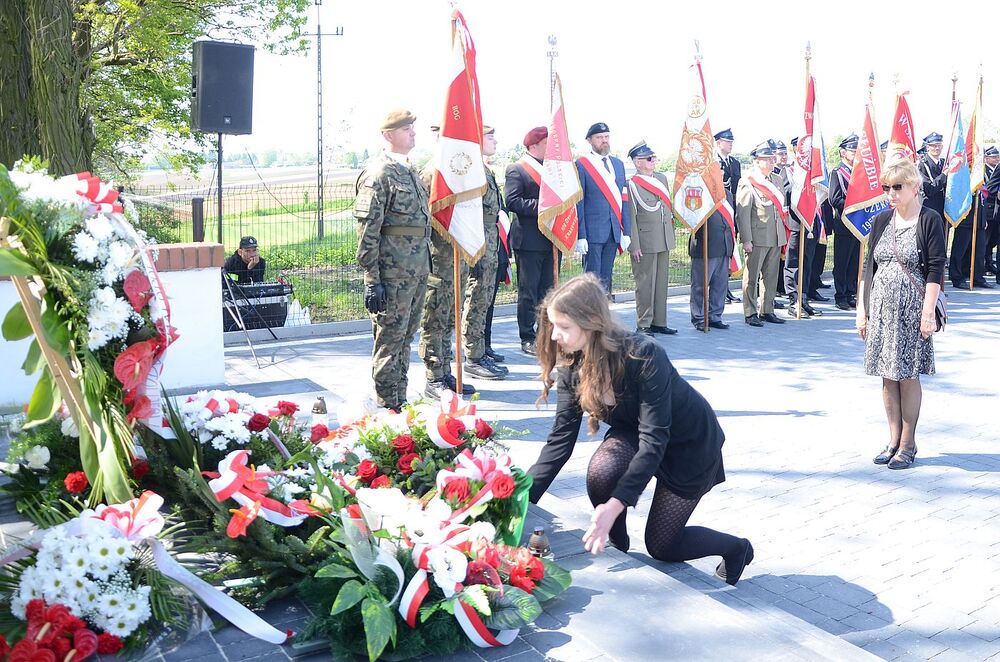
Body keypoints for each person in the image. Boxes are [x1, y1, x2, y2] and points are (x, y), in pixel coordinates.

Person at [526, 274, 753, 585]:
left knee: (662, 546)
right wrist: (518, 503)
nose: (554, 336)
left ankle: (737, 549)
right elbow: (558, 444)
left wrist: (615, 505)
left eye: (563, 327)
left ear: (592, 322)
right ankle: (618, 543)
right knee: (603, 471)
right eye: (553, 326)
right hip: (636, 432)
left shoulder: (643, 355)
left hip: (688, 443)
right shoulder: (571, 368)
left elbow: (655, 439)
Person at [857, 160, 946, 470]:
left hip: (912, 309)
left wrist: (927, 314)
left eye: (897, 187)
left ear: (914, 188)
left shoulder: (929, 220)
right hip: (880, 310)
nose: (890, 194)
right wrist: (862, 310)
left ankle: (908, 443)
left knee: (907, 376)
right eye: (886, 188)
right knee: (887, 375)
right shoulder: (882, 220)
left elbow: (936, 268)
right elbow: (870, 267)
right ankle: (893, 439)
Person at [354, 109, 432, 411]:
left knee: (405, 339)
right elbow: (368, 230)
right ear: (388, 135)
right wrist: (372, 279)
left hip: (416, 270)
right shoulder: (380, 173)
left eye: (413, 128)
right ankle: (387, 405)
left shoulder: (410, 170)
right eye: (406, 129)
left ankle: (400, 398)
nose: (413, 133)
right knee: (390, 340)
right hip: (392, 273)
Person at [418, 125, 476, 399]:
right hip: (439, 262)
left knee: (449, 318)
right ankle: (433, 376)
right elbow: (424, 218)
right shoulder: (433, 173)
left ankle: (446, 371)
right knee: (435, 319)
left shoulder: (459, 171)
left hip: (457, 261)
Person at [462, 125, 508, 380]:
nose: (495, 140)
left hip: (490, 241)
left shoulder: (484, 169)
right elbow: (470, 213)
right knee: (475, 300)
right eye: (490, 136)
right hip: (479, 244)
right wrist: (475, 252)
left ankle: (480, 350)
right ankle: (473, 356)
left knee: (484, 299)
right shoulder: (471, 170)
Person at [506, 126, 555, 356]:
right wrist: (543, 206)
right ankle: (527, 336)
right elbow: (513, 202)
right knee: (529, 292)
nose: (551, 148)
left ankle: (545, 334)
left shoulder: (554, 170)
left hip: (551, 239)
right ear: (533, 145)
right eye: (547, 143)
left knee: (549, 290)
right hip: (528, 241)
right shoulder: (517, 169)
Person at [626, 141, 676, 335]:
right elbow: (631, 217)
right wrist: (634, 245)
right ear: (637, 162)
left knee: (661, 282)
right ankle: (644, 323)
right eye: (648, 158)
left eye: (654, 157)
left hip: (663, 238)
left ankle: (659, 321)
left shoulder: (661, 179)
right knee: (645, 284)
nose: (653, 161)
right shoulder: (631, 184)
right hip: (645, 242)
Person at [575, 122, 632, 292]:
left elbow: (624, 200)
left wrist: (626, 231)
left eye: (606, 137)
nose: (604, 140)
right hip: (592, 233)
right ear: (590, 141)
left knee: (607, 279)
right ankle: (589, 316)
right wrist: (581, 235)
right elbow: (580, 202)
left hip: (614, 231)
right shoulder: (582, 164)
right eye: (599, 137)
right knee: (591, 281)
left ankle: (604, 315)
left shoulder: (618, 164)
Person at [736, 141, 787, 327]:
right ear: (757, 161)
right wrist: (746, 239)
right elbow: (743, 214)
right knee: (751, 277)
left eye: (773, 159)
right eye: (768, 159)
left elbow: (782, 210)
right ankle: (750, 312)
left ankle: (767, 309)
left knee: (771, 276)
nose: (772, 162)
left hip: (775, 235)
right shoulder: (748, 182)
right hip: (757, 237)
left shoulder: (777, 180)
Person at [783, 137, 822, 318]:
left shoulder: (813, 172)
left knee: (807, 263)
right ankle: (794, 301)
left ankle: (804, 299)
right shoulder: (789, 172)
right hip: (796, 224)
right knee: (794, 265)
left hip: (811, 224)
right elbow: (786, 197)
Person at [689, 190, 735, 331]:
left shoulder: (727, 193)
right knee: (700, 285)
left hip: (723, 244)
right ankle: (699, 317)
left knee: (720, 284)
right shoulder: (699, 191)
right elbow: (691, 216)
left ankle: (715, 316)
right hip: (705, 245)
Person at [829, 134, 860, 311]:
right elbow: (834, 199)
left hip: (857, 224)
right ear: (843, 152)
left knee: (854, 261)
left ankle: (850, 293)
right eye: (852, 150)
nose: (855, 153)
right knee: (842, 262)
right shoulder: (838, 172)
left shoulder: (858, 172)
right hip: (844, 223)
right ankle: (840, 295)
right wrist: (853, 205)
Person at [715, 128, 742, 304]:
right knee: (718, 254)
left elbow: (737, 189)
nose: (731, 144)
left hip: (731, 211)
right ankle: (718, 290)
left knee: (729, 252)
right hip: (718, 214)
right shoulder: (712, 162)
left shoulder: (734, 163)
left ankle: (725, 288)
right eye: (727, 141)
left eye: (732, 141)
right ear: (718, 142)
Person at [918, 132, 947, 223]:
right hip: (931, 208)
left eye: (939, 145)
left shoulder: (944, 163)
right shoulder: (923, 164)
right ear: (927, 147)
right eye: (933, 146)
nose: (937, 148)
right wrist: (944, 175)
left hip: (945, 207)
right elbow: (929, 189)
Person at [985, 146, 1000, 280]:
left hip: (995, 207)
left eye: (997, 156)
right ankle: (987, 264)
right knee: (988, 240)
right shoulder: (984, 171)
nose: (997, 158)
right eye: (994, 157)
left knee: (993, 238)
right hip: (990, 208)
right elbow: (989, 188)